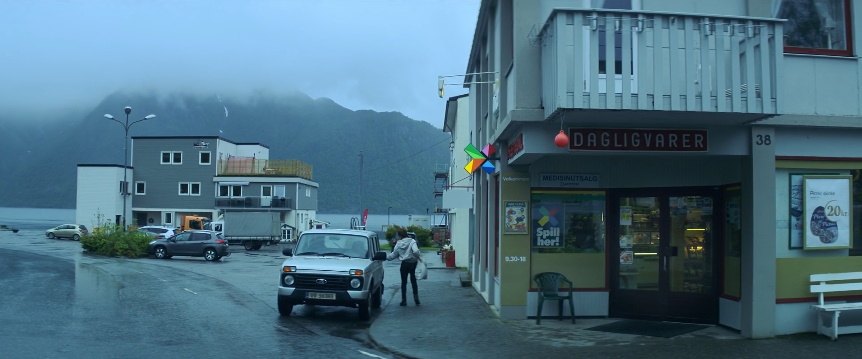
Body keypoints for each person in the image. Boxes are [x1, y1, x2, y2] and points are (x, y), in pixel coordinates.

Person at [387, 228, 421, 306]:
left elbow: (393, 255)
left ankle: (404, 300)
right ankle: (416, 299)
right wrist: (417, 257)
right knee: (413, 281)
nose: (396, 237)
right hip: (413, 263)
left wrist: (386, 257)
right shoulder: (412, 241)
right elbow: (416, 251)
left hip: (404, 264)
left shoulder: (398, 244)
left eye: (397, 235)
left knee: (404, 282)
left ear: (400, 235)